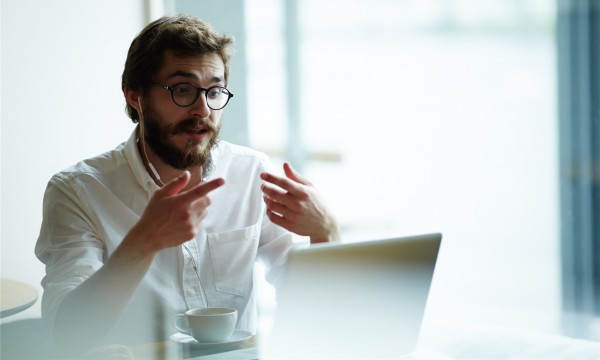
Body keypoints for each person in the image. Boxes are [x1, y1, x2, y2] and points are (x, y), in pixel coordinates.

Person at [35, 14, 339, 354]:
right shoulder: (77, 191)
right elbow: (68, 334)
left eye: (215, 90)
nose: (203, 108)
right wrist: (144, 240)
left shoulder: (251, 173)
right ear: (135, 96)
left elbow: (313, 308)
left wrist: (325, 234)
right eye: (183, 89)